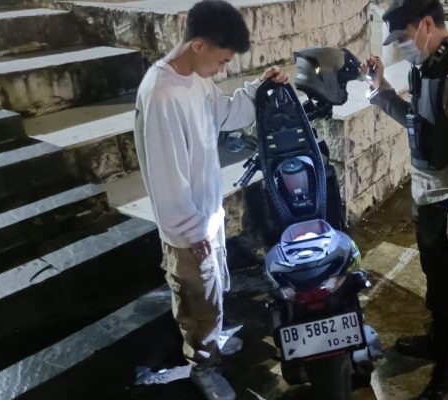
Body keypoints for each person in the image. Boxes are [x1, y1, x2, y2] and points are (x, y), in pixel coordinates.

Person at [133, 1, 288, 399]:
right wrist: (192, 234)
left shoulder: (197, 79)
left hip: (206, 216)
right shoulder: (162, 94)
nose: (221, 70)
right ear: (198, 45)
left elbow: (226, 113)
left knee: (214, 290)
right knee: (196, 300)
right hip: (188, 229)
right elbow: (167, 179)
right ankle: (202, 366)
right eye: (221, 61)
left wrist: (260, 90)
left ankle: (212, 344)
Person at [362, 0, 448, 398]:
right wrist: (380, 89)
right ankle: (438, 340)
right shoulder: (425, 66)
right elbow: (419, 125)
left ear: (426, 24)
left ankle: (446, 373)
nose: (401, 46)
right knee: (436, 279)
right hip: (426, 197)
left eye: (404, 37)